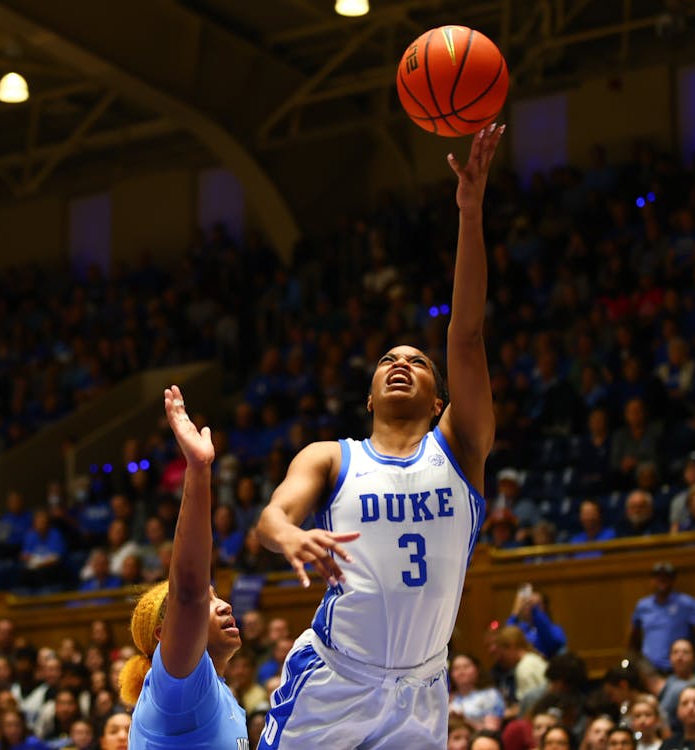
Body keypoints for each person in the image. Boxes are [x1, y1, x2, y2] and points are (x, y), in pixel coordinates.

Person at [254, 125, 503, 748]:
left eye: (417, 361)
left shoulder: (461, 446)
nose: (400, 363)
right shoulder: (331, 457)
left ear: (440, 398)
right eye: (389, 359)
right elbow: (271, 518)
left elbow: (467, 334)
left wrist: (469, 213)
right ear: (369, 396)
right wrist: (287, 533)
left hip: (423, 691)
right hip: (335, 679)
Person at [118, 386, 247, 748]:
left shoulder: (221, 696)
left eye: (217, 597)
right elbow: (188, 592)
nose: (224, 605)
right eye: (211, 600)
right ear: (164, 634)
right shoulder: (177, 689)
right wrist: (199, 471)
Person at [630, 562, 695, 672]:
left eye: (666, 577)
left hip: (677, 668)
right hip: (649, 670)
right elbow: (634, 636)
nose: (662, 580)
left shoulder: (686, 604)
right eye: (658, 576)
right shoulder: (643, 605)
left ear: (673, 580)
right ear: (652, 580)